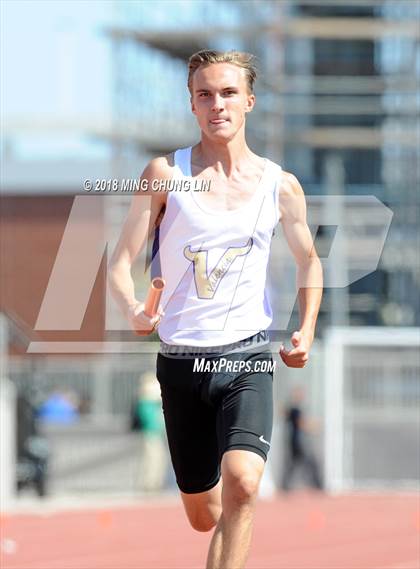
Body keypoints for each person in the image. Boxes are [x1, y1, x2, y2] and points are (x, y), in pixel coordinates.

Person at [109, 49, 323, 569]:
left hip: (247, 357)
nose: (217, 104)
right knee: (205, 515)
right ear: (192, 104)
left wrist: (307, 329)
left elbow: (310, 261)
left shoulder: (280, 184)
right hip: (182, 362)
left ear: (248, 101)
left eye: (228, 93)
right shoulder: (165, 173)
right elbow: (119, 262)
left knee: (244, 487)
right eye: (205, 94)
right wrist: (134, 308)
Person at [280, 385, 323, 493]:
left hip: (295, 441)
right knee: (309, 462)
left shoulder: (292, 408)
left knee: (294, 464)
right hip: (298, 442)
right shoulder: (295, 409)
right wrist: (313, 427)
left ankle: (285, 486)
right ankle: (317, 485)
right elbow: (301, 423)